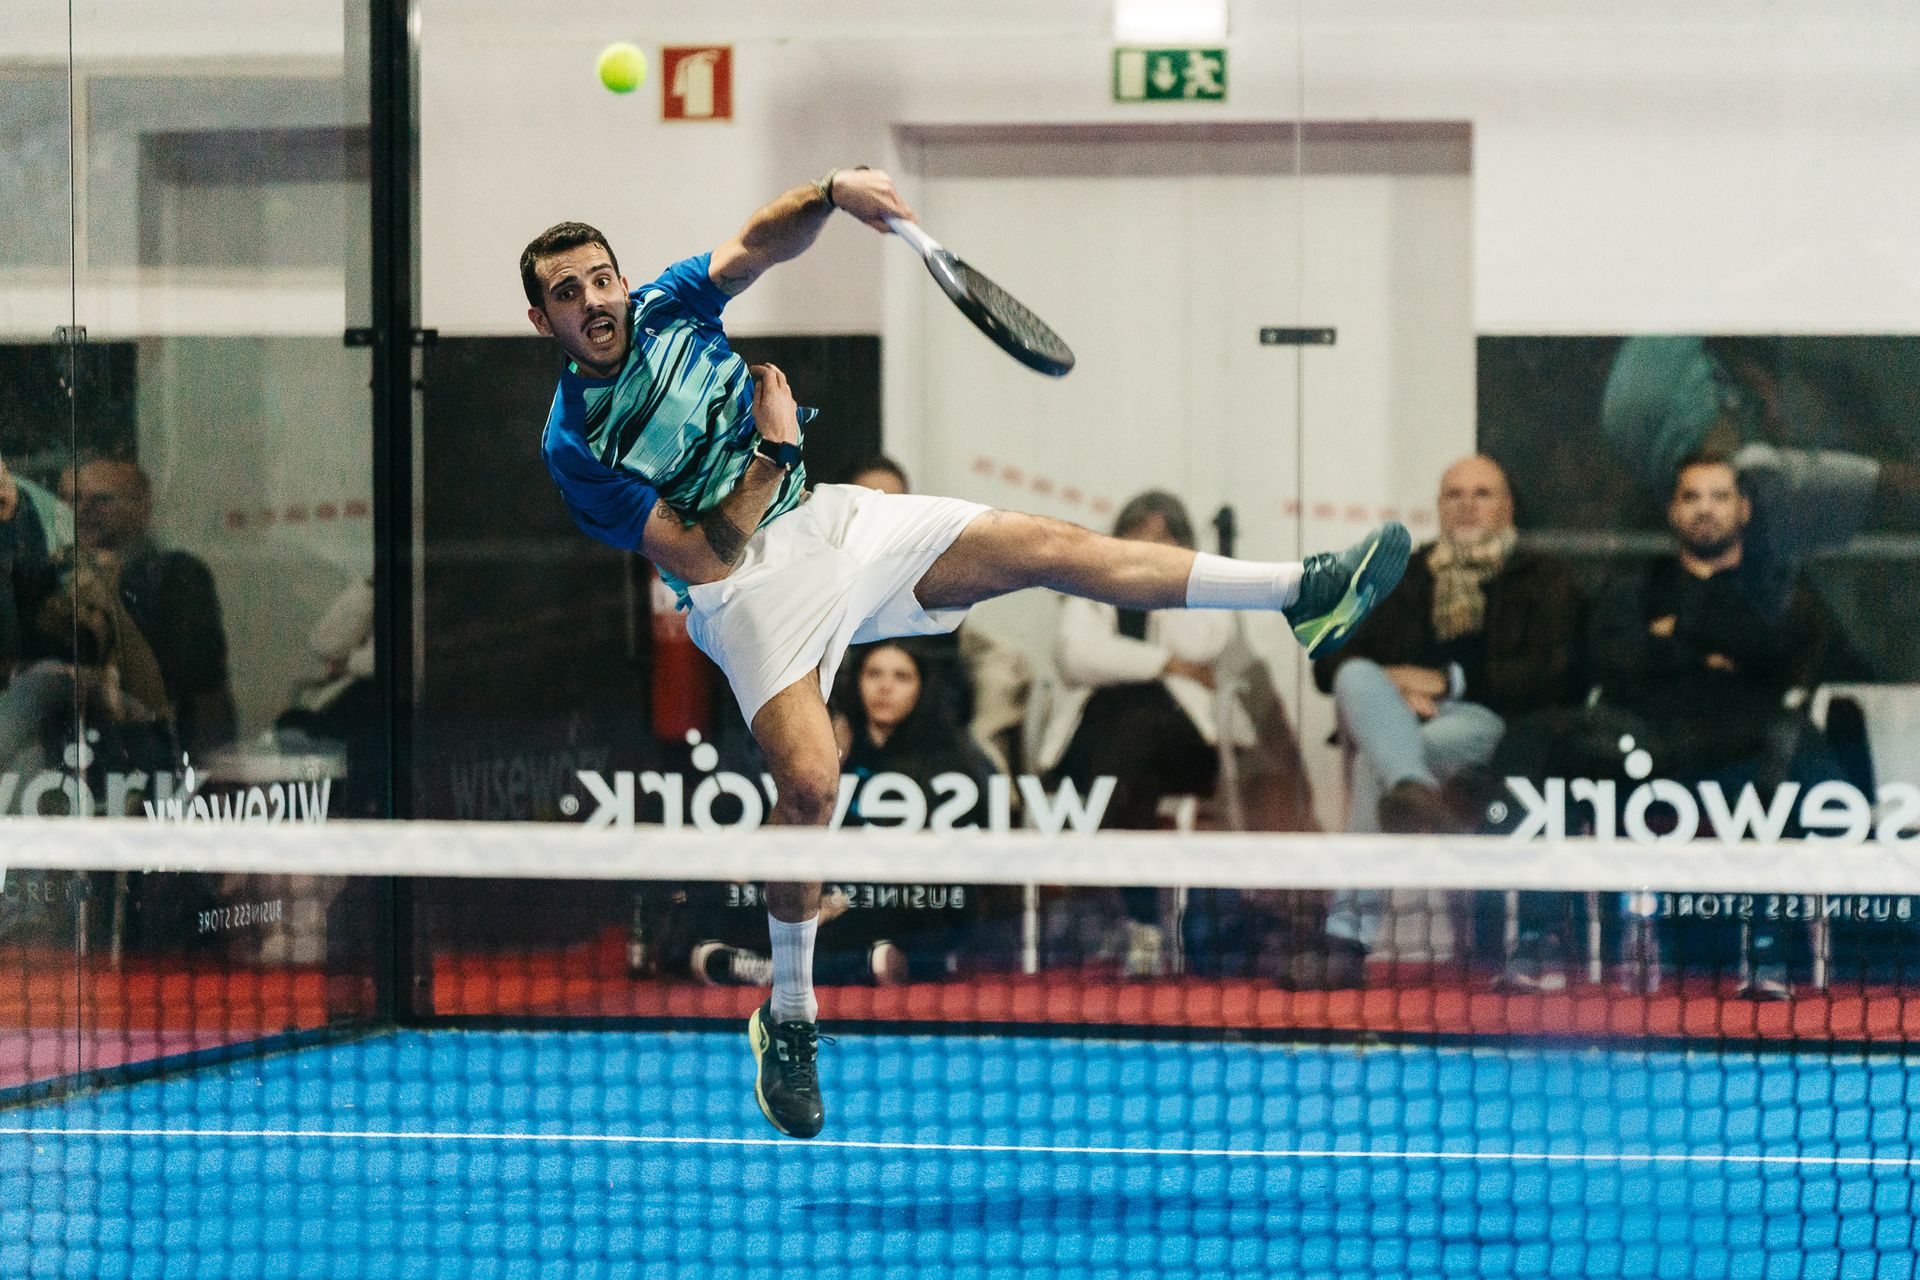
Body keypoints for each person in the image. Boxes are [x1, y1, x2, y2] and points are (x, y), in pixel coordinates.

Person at [524, 167, 1411, 1139]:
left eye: (599, 279)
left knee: (1049, 546)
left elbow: (758, 243)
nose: (593, 301)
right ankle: (789, 1012)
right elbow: (701, 551)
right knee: (813, 787)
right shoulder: (574, 441)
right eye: (568, 294)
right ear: (544, 322)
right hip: (745, 589)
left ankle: (1301, 592)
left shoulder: (667, 305)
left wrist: (829, 193)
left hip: (834, 523)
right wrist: (775, 450)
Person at [1032, 490, 1249, 976]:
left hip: (1182, 742)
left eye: (1164, 538)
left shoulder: (1203, 586)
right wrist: (1166, 664)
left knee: (1138, 731)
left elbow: (1204, 642)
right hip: (1098, 738)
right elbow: (1078, 656)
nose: (1149, 546)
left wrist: (1168, 582)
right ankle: (1142, 922)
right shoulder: (1088, 583)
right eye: (1138, 535)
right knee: (1126, 747)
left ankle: (1119, 908)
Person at [72, 457, 238, 760]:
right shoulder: (61, 575)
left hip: (164, 750)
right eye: (76, 499)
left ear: (140, 508)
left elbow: (189, 674)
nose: (83, 511)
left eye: (101, 501)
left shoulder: (178, 574)